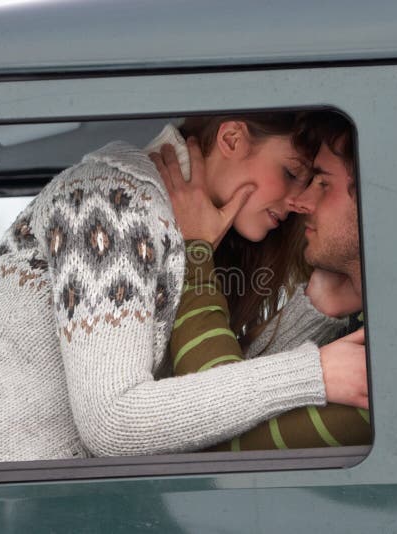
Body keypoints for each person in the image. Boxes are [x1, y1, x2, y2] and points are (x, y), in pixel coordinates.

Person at [0, 113, 367, 464]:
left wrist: (318, 307)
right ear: (231, 139)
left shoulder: (178, 225)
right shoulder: (109, 202)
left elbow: (216, 399)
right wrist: (315, 374)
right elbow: (113, 422)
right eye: (291, 172)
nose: (297, 200)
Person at [153, 112, 368, 450]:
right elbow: (254, 401)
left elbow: (217, 433)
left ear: (375, 197)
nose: (301, 202)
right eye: (295, 175)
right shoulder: (367, 321)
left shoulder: (392, 354)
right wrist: (317, 305)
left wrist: (194, 247)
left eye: (322, 183)